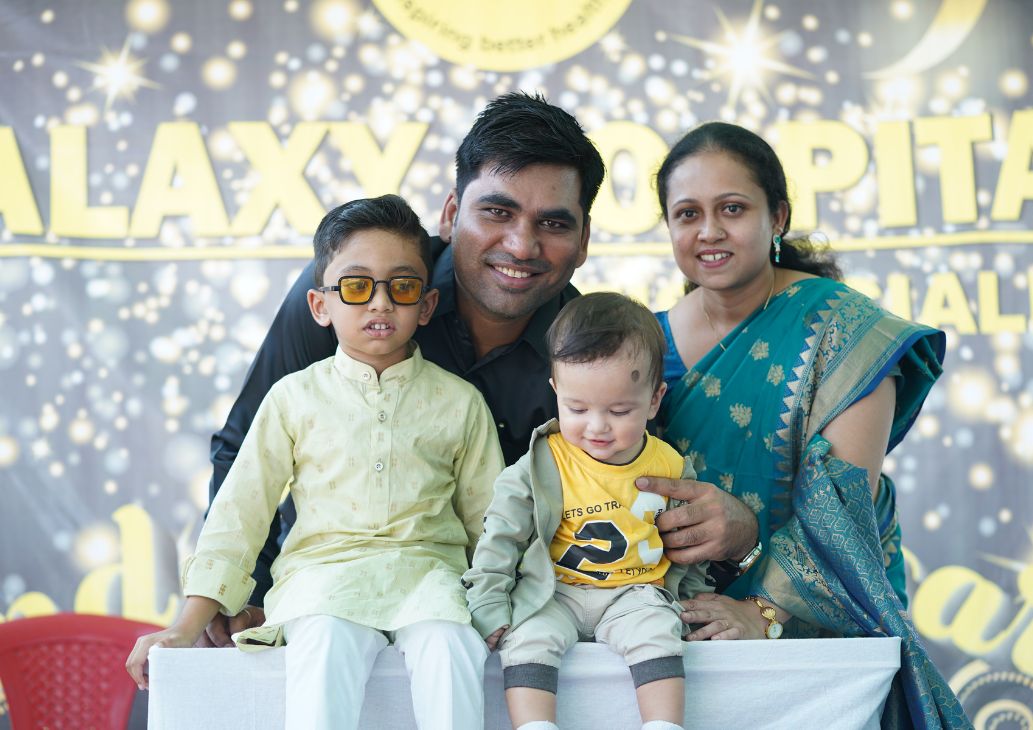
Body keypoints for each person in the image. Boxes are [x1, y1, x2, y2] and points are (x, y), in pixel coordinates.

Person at [202, 93, 760, 645]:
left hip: (484, 624)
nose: (521, 245)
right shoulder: (358, 288)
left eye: (553, 223)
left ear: (583, 241)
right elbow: (245, 452)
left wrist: (741, 542)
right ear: (451, 214)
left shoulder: (594, 353)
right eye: (497, 212)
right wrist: (241, 599)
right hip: (327, 601)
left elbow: (635, 498)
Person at [126, 195, 504, 730]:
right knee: (324, 642)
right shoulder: (292, 398)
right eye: (356, 286)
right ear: (320, 305)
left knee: (451, 645)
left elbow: (490, 524)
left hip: (431, 582)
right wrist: (186, 625)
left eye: (401, 287)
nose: (380, 304)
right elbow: (241, 513)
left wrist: (503, 605)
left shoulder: (461, 402)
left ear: (426, 305)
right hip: (323, 583)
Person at [653, 122, 970, 726]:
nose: (709, 231)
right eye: (687, 213)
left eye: (732, 208)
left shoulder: (845, 335)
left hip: (817, 630)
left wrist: (761, 613)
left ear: (777, 217)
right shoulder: (647, 342)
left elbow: (841, 508)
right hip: (679, 629)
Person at [465, 293, 712, 730]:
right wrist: (489, 602)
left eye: (619, 411)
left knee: (657, 631)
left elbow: (688, 545)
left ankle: (663, 724)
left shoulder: (670, 467)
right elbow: (500, 537)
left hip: (633, 593)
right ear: (556, 390)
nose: (597, 426)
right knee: (527, 637)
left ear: (654, 399)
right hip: (553, 592)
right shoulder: (541, 464)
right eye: (577, 409)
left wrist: (691, 600)